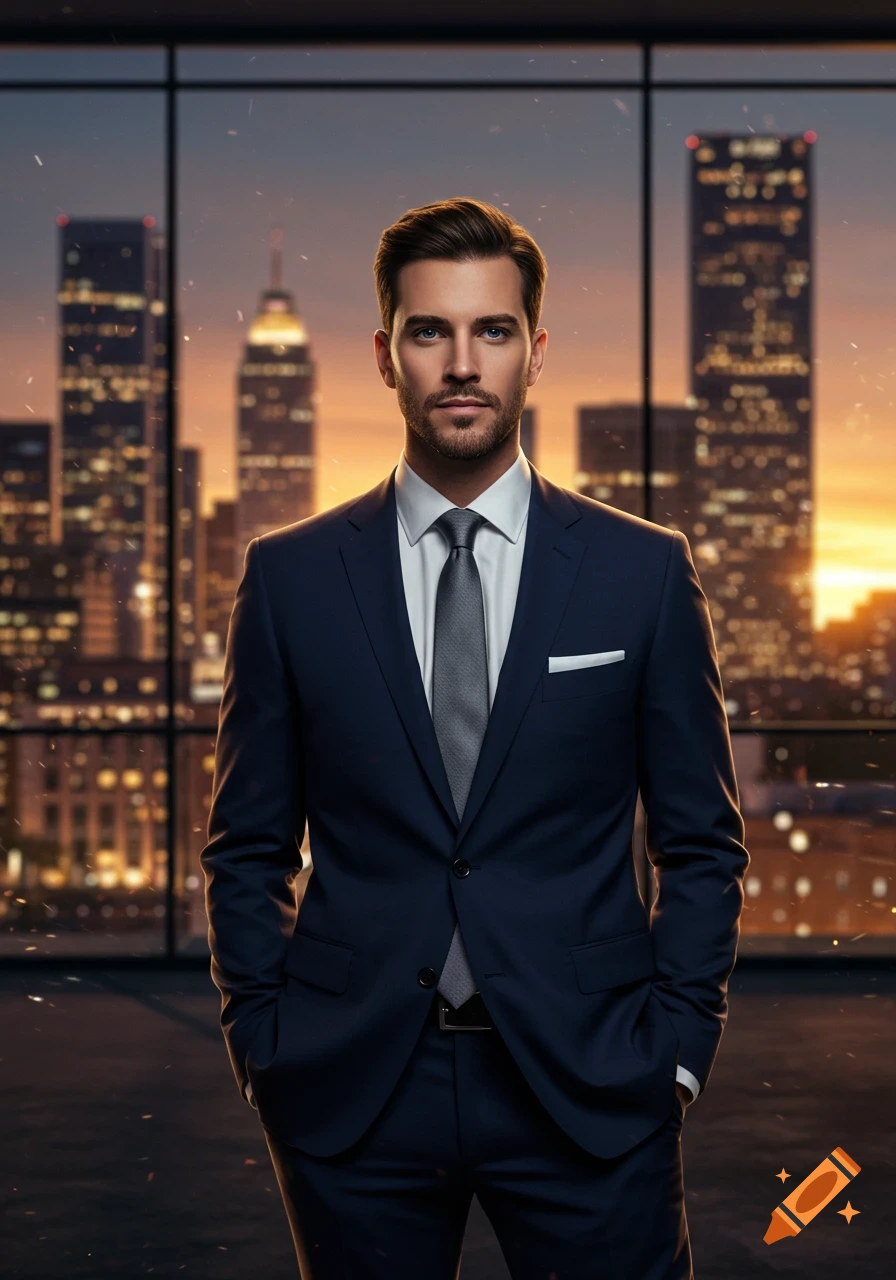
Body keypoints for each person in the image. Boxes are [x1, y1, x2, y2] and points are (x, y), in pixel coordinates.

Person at [201, 196, 749, 1279]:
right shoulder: (291, 578)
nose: (461, 362)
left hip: (590, 1079)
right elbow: (245, 846)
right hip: (353, 1082)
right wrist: (265, 1045)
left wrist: (676, 1053)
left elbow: (701, 843)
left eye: (490, 331)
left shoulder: (641, 572)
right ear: (383, 353)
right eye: (428, 331)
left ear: (532, 352)